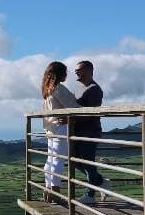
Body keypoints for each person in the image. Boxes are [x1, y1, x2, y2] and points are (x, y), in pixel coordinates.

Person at [71, 60, 111, 204]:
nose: (76, 72)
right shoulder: (79, 89)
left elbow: (92, 113)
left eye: (79, 69)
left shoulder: (94, 89)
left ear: (89, 70)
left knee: (87, 163)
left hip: (89, 132)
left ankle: (90, 194)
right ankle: (101, 182)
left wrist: (73, 119)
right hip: (77, 132)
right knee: (75, 160)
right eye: (76, 70)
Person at [41, 61, 79, 204]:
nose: (67, 74)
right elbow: (73, 107)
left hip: (50, 128)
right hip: (60, 127)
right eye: (65, 72)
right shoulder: (58, 88)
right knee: (58, 159)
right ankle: (55, 192)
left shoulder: (47, 90)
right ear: (60, 74)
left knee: (50, 159)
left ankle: (48, 190)